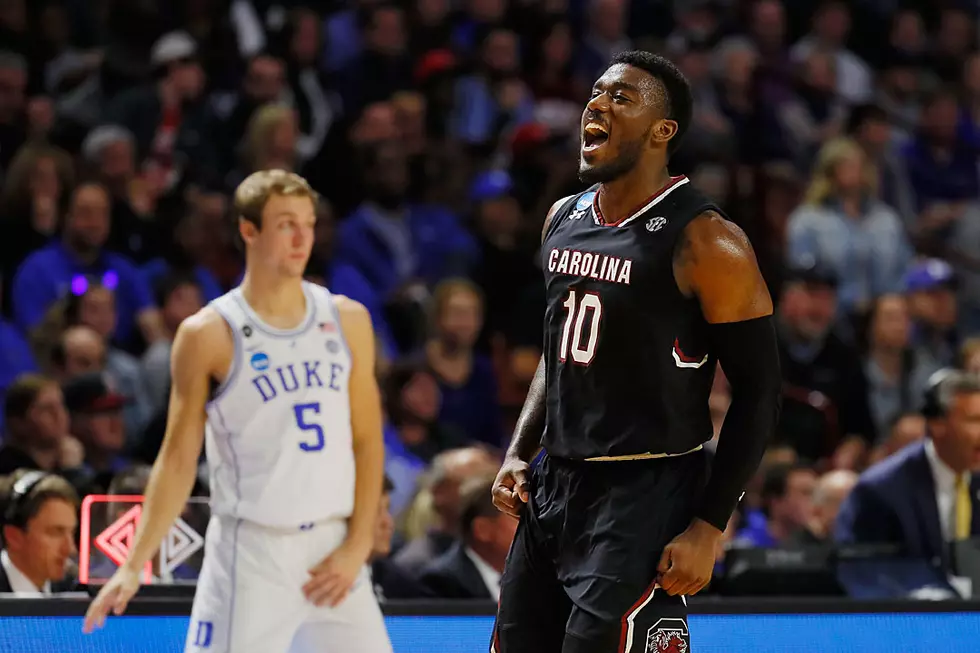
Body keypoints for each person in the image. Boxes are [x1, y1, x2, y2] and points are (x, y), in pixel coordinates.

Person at [490, 51, 781, 653]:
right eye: (595, 93)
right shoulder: (562, 218)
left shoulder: (708, 241)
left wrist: (709, 525)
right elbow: (559, 349)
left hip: (646, 492)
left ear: (662, 131)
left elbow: (759, 389)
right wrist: (520, 450)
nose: (595, 105)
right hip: (555, 486)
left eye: (620, 98)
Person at [83, 170, 391, 653]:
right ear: (248, 230)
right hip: (252, 551)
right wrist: (132, 563)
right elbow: (178, 458)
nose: (301, 237)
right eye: (285, 223)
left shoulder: (347, 318)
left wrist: (357, 545)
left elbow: (369, 441)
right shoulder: (208, 332)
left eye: (308, 223)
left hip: (333, 548)